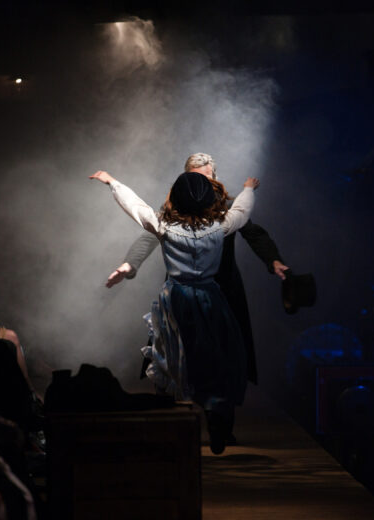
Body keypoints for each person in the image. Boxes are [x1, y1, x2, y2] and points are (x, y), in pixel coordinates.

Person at [89, 169, 259, 454]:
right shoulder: (220, 225)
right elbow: (241, 210)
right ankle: (216, 414)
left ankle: (169, 423)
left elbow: (136, 207)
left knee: (171, 355)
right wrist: (249, 188)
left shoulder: (164, 226)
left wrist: (113, 183)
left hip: (177, 298)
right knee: (216, 357)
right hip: (209, 297)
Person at [105, 153, 288, 401]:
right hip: (186, 294)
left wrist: (273, 259)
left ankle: (219, 416)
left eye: (207, 176)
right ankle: (175, 409)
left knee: (221, 354)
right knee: (173, 351)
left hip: (220, 292)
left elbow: (251, 228)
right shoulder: (183, 216)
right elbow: (148, 230)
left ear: (215, 178)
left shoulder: (222, 213)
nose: (201, 183)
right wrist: (130, 263)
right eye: (195, 178)